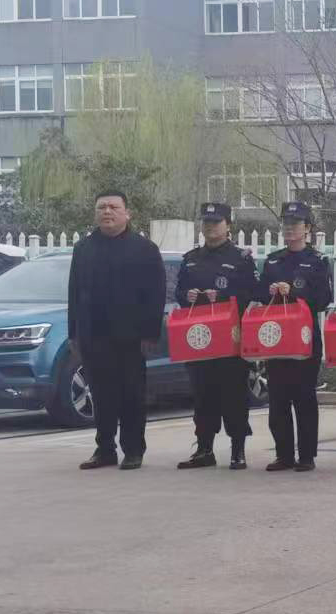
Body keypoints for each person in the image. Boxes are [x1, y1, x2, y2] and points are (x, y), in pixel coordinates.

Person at [67, 190, 164, 471]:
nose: (107, 212)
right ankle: (105, 449)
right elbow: (74, 293)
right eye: (102, 207)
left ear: (127, 213)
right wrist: (74, 332)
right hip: (93, 335)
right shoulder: (83, 249)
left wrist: (151, 333)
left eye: (113, 207)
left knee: (131, 395)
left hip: (131, 337)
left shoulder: (144, 249)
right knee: (101, 395)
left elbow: (156, 294)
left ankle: (133, 449)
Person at [173, 201, 258, 470]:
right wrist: (186, 296)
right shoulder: (191, 259)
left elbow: (252, 292)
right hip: (199, 337)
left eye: (216, 222)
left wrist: (222, 296)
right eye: (206, 222)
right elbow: (178, 291)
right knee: (202, 395)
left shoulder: (240, 258)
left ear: (228, 225)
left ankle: (237, 450)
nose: (210, 227)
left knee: (233, 395)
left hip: (229, 338)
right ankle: (204, 449)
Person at [254, 201, 331, 472]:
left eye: (295, 224)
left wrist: (295, 292)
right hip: (276, 337)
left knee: (304, 397)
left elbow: (323, 299)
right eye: (286, 223)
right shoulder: (273, 260)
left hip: (305, 338)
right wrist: (270, 291)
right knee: (278, 399)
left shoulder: (318, 261)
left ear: (307, 228)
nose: (289, 228)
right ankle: (283, 454)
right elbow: (259, 293)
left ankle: (307, 455)